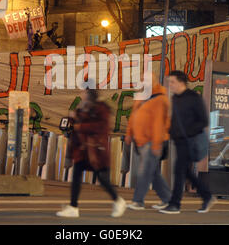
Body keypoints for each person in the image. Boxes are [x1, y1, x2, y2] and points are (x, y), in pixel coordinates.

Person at [56, 88, 126, 218]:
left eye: (84, 92)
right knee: (76, 176)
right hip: (83, 150)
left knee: (102, 178)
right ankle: (73, 206)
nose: (81, 94)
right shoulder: (83, 107)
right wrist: (72, 119)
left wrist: (80, 126)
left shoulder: (101, 108)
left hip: (96, 151)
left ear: (90, 95)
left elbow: (101, 127)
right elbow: (79, 124)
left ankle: (118, 200)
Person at [160, 70, 216, 214]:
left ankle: (175, 205)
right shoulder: (175, 98)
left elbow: (203, 120)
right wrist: (171, 133)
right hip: (179, 141)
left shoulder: (194, 97)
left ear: (181, 82)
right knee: (184, 171)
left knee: (179, 171)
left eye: (172, 82)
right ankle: (207, 195)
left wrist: (187, 132)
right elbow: (175, 120)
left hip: (190, 140)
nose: (170, 85)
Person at [125, 72, 172, 210]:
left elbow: (159, 124)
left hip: (153, 141)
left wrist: (157, 144)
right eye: (143, 80)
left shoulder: (160, 99)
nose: (144, 82)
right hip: (142, 141)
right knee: (153, 173)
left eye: (147, 80)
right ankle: (167, 199)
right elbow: (133, 116)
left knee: (145, 171)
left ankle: (138, 201)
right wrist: (129, 133)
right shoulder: (141, 97)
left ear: (154, 81)